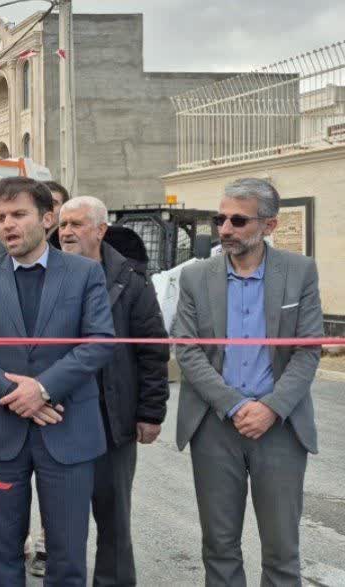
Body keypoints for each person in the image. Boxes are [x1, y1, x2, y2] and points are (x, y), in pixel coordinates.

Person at [0, 176, 115, 586]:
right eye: (1, 216)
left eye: (18, 214)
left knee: (66, 552)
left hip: (68, 428)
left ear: (47, 218)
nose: (7, 224)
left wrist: (41, 389)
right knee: (2, 549)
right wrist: (15, 394)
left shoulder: (84, 274)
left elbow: (99, 343)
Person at [173, 178, 323, 587]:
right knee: (219, 547)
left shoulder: (299, 272)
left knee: (281, 550)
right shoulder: (195, 277)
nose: (224, 229)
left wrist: (270, 408)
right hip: (216, 425)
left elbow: (308, 350)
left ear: (269, 226)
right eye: (220, 218)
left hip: (280, 427)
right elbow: (187, 351)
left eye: (238, 220)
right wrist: (236, 407)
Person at [58, 196, 170, 586]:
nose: (67, 232)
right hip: (60, 417)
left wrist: (150, 412)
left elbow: (152, 350)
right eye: (63, 224)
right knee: (64, 520)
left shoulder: (131, 281)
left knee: (113, 519)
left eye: (77, 224)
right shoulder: (48, 273)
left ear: (101, 230)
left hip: (112, 420)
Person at [43, 180, 69, 252]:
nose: (47, 208)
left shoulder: (68, 242)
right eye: (41, 202)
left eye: (53, 203)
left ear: (64, 208)